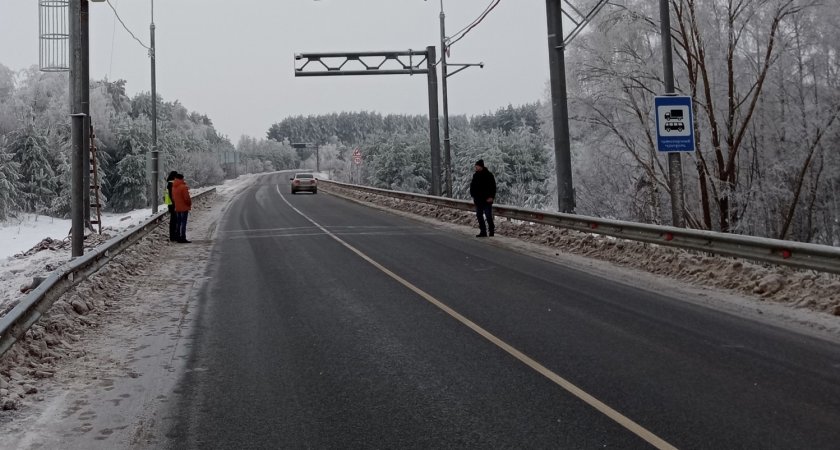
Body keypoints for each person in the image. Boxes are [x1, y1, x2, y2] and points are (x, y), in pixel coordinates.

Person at [469, 159, 497, 237]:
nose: (476, 168)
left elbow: (493, 187)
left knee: (488, 216)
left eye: (477, 166)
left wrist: (491, 197)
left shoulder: (489, 175)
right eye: (475, 166)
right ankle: (483, 231)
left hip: (487, 200)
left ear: (481, 166)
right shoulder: (475, 175)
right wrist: (473, 194)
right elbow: (472, 186)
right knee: (479, 215)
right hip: (478, 200)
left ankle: (491, 230)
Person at [172, 173, 192, 243]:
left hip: (177, 207)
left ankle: (178, 237)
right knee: (183, 223)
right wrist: (189, 204)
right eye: (183, 178)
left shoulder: (174, 187)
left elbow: (173, 198)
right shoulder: (183, 187)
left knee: (179, 222)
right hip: (184, 207)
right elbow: (187, 198)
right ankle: (183, 237)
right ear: (181, 179)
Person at [164, 171, 179, 242]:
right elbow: (172, 196)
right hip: (173, 206)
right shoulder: (171, 184)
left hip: (171, 205)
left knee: (174, 221)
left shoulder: (169, 184)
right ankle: (173, 237)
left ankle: (173, 236)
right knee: (174, 221)